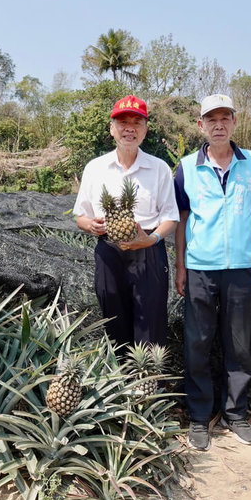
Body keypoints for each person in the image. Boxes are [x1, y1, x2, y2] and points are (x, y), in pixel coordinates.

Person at [173, 94, 251, 451]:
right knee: (197, 343)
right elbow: (182, 220)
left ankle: (236, 413)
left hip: (242, 269)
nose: (218, 125)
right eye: (210, 119)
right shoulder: (186, 167)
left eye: (224, 118)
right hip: (200, 268)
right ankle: (200, 418)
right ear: (200, 125)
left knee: (239, 344)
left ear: (234, 122)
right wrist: (180, 267)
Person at [73, 95, 179, 348]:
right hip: (109, 250)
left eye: (136, 122)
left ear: (145, 130)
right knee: (113, 322)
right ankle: (120, 382)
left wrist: (151, 239)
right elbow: (80, 216)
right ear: (112, 128)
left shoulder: (159, 168)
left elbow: (171, 217)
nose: (129, 128)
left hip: (149, 250)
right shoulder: (95, 168)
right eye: (122, 122)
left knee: (150, 324)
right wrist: (90, 225)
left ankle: (148, 383)